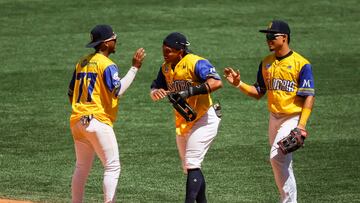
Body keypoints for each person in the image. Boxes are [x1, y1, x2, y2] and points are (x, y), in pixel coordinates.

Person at [224, 20, 315, 203]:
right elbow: (258, 92)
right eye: (267, 36)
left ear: (285, 37)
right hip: (274, 119)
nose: (268, 39)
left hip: (292, 117)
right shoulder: (266, 63)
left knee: (276, 157)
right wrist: (238, 84)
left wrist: (301, 125)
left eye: (272, 36)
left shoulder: (301, 64)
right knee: (283, 162)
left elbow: (309, 97)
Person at [68, 24, 146, 203]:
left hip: (77, 121)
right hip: (97, 121)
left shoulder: (82, 62)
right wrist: (135, 68)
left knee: (81, 167)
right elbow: (117, 91)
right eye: (113, 39)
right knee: (112, 167)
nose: (115, 41)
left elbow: (71, 92)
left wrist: (83, 108)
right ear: (104, 44)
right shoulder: (107, 64)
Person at [150, 32, 223, 203]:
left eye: (168, 51)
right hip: (183, 121)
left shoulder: (196, 62)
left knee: (192, 163)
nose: (165, 54)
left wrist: (190, 91)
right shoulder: (166, 67)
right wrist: (155, 92)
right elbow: (155, 86)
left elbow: (216, 82)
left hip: (205, 118)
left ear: (180, 51)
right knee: (191, 167)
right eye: (163, 50)